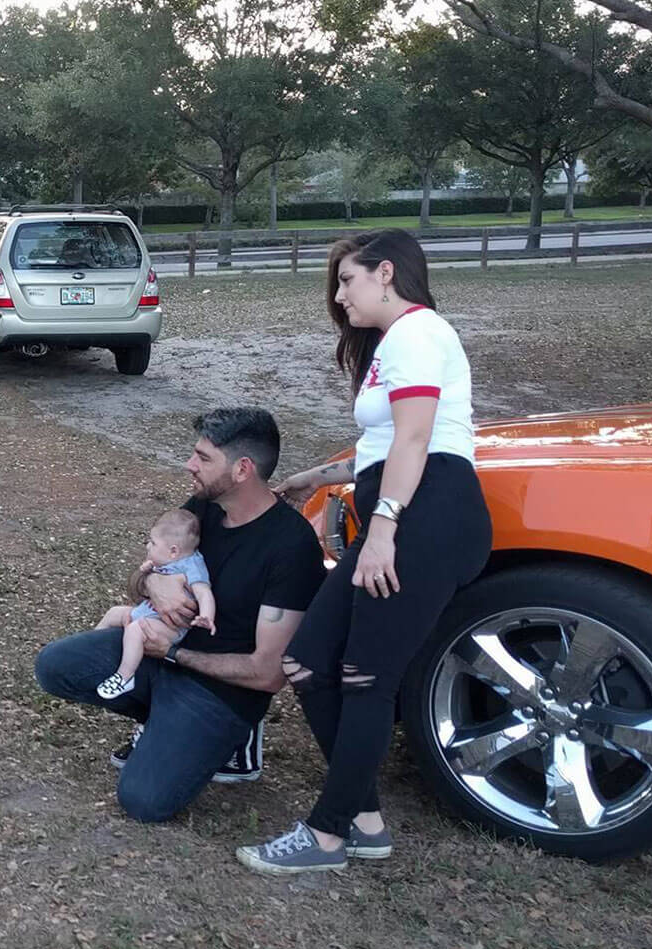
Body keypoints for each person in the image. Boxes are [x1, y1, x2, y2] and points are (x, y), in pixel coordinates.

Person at [238, 229, 491, 874]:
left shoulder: (418, 332)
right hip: (407, 502)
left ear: (385, 273)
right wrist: (319, 477)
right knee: (306, 662)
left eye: (346, 281)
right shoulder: (393, 343)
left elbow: (416, 443)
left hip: (426, 513)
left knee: (364, 677)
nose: (339, 296)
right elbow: (386, 447)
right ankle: (366, 819)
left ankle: (328, 836)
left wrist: (383, 529)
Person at [34, 408, 327, 820]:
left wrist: (172, 654)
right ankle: (159, 721)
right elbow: (142, 574)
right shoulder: (203, 510)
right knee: (55, 665)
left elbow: (269, 673)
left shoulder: (291, 548)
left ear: (243, 469)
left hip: (221, 691)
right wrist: (153, 583)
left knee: (143, 801)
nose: (190, 465)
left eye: (204, 458)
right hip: (161, 659)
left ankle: (232, 741)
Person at [92, 507, 215, 700]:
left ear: (173, 551)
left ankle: (125, 677)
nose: (148, 546)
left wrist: (206, 616)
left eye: (153, 542)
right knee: (114, 612)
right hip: (149, 612)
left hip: (170, 627)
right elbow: (144, 580)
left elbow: (204, 593)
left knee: (135, 630)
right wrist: (148, 571)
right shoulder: (167, 560)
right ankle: (91, 646)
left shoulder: (193, 567)